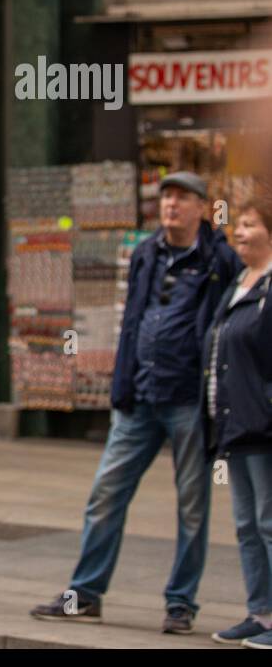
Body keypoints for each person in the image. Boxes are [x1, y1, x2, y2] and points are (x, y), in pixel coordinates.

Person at [31, 171, 240, 634]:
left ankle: (181, 603)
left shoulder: (217, 257)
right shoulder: (148, 252)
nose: (171, 205)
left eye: (183, 198)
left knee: (192, 505)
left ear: (202, 207)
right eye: (166, 197)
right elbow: (132, 320)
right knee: (105, 494)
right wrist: (121, 383)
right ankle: (84, 594)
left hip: (187, 399)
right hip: (139, 397)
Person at [203, 190, 272, 648]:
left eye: (249, 224)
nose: (238, 232)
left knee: (269, 522)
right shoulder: (241, 282)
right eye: (237, 224)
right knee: (247, 525)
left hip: (265, 425)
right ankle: (261, 613)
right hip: (235, 423)